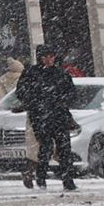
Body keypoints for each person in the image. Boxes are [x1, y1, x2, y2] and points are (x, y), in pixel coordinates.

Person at [17, 50, 83, 193]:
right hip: (40, 116)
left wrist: (62, 101)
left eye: (51, 56)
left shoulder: (61, 73)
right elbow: (21, 92)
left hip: (59, 115)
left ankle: (67, 181)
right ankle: (41, 177)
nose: (48, 59)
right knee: (45, 147)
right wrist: (35, 102)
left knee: (64, 148)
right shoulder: (31, 73)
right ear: (40, 58)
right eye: (45, 56)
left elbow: (72, 93)